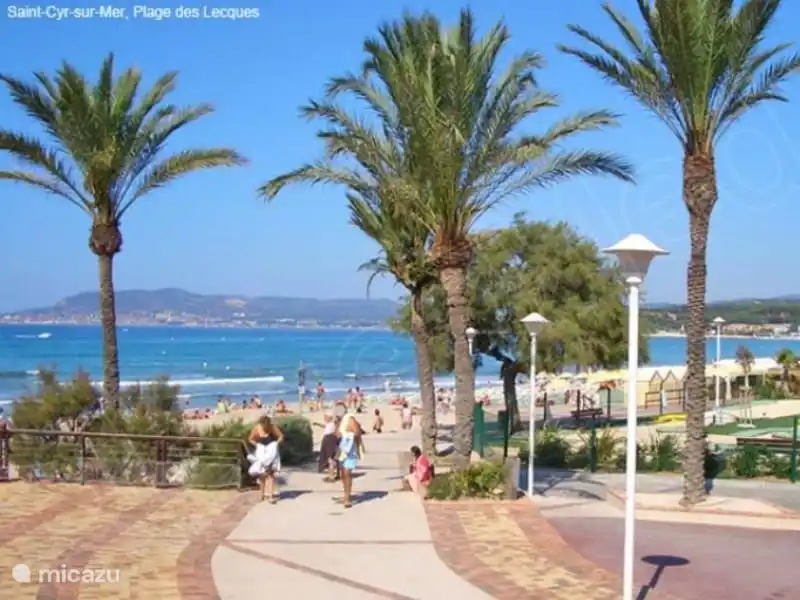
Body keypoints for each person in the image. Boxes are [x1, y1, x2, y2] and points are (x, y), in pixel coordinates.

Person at [247, 415, 284, 503]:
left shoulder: (272, 427)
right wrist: (258, 445)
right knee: (262, 474)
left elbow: (281, 436)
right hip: (262, 453)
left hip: (271, 453)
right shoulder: (257, 428)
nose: (265, 427)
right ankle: (262, 495)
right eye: (263, 425)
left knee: (271, 473)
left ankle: (270, 496)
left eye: (266, 425)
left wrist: (275, 444)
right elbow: (251, 439)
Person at [336, 413, 363, 508]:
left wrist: (350, 437)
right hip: (342, 450)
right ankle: (346, 495)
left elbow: (357, 433)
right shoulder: (342, 421)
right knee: (343, 474)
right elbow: (338, 434)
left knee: (347, 473)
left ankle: (347, 498)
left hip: (350, 450)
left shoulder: (350, 418)